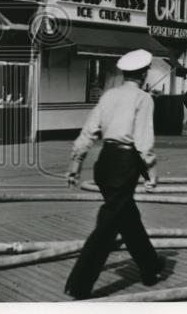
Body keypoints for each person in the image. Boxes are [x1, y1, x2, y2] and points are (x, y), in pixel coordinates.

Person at [64, 49, 165, 299]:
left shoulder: (109, 96)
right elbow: (143, 141)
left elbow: (89, 131)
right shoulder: (144, 99)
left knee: (127, 217)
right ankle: (79, 284)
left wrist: (76, 164)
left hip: (105, 162)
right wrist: (151, 172)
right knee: (107, 226)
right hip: (125, 164)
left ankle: (150, 266)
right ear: (143, 73)